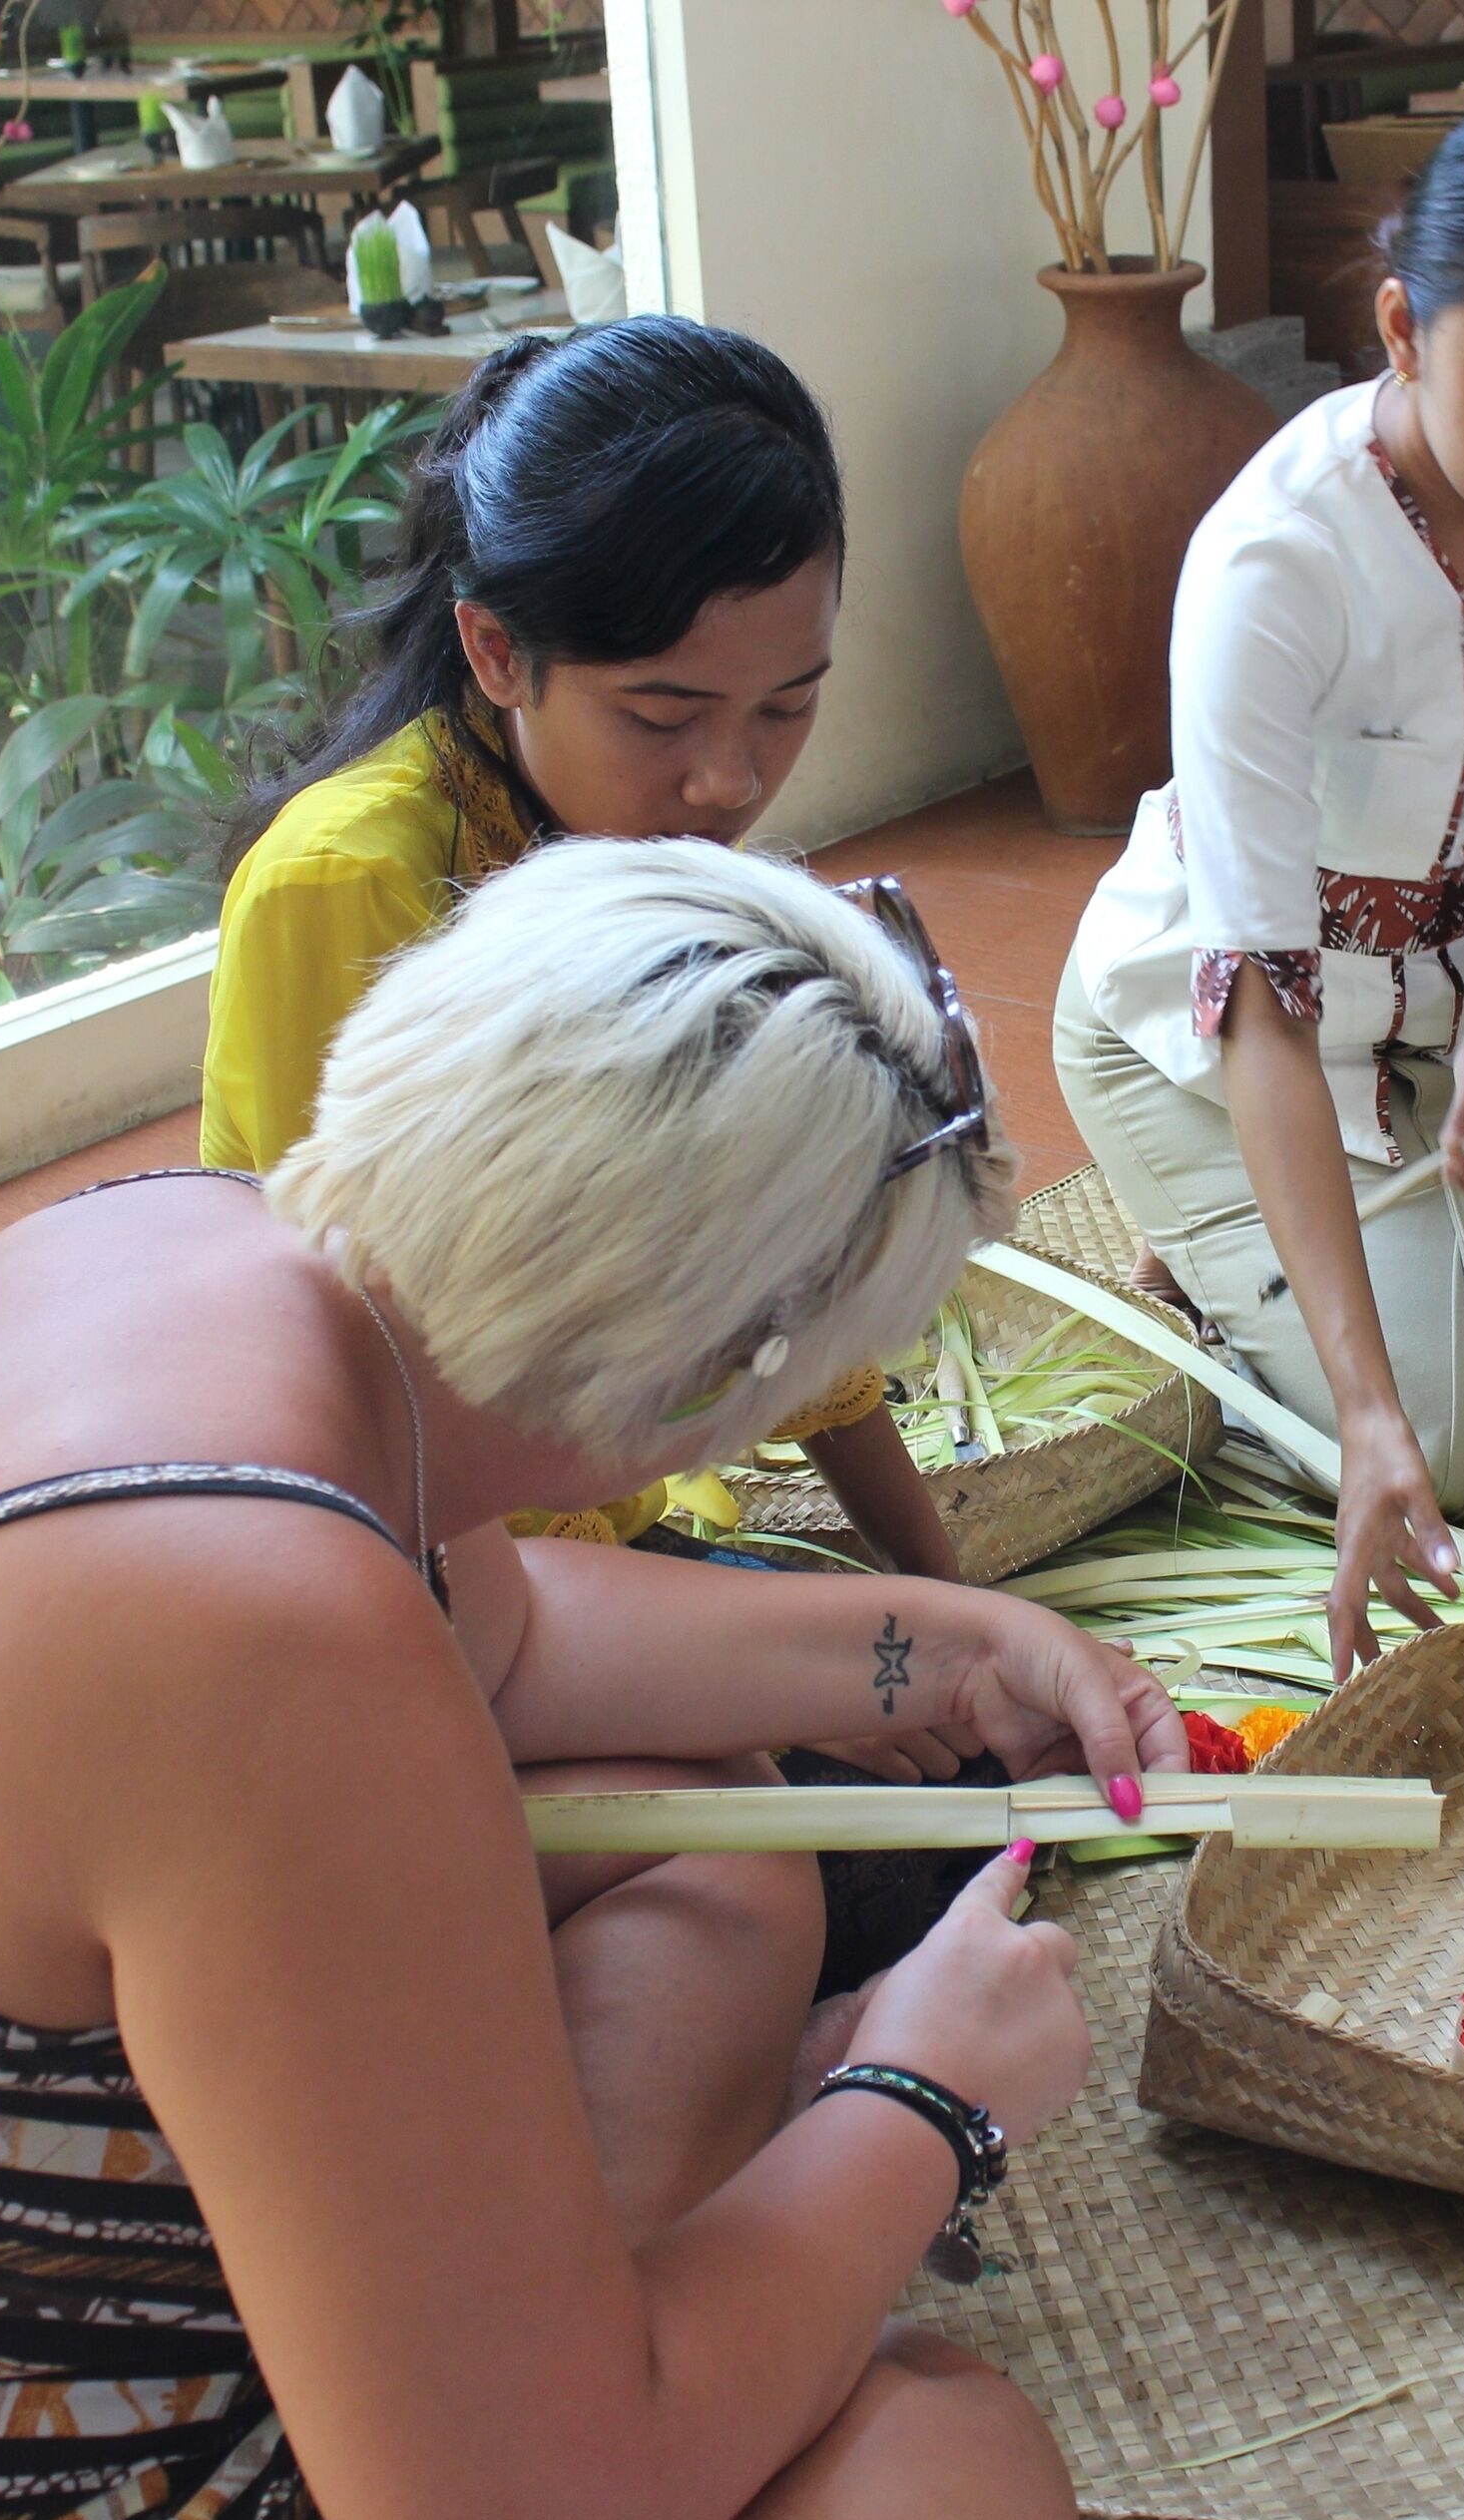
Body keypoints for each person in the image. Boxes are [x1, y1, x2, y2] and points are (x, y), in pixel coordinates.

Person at [0, 840, 1169, 2520]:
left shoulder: (190, 1259)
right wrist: (927, 2097)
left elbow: (506, 1646)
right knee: (941, 2470)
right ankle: (588, 2374)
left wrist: (937, 1647)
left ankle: (550, 2345)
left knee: (703, 1843)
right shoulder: (270, 1652)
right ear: (699, 1381)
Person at [1056, 97, 1464, 1678]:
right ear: (1404, 328)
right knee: (1459, 1456)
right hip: (1213, 1044)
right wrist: (1363, 1420)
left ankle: (1334, 1254)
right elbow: (1262, 1007)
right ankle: (1203, 1274)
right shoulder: (1274, 563)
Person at [205, 313, 965, 1615]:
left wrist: (943, 1584)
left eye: (787, 706)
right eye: (660, 713)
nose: (731, 780)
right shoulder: (352, 882)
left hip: (584, 1521)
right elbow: (380, 1391)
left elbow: (781, 1229)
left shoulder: (642, 832)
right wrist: (698, 1659)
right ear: (498, 650)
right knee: (784, 1799)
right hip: (393, 1555)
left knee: (930, 1749)